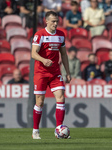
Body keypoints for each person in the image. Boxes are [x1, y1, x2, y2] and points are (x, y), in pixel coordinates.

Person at [31, 11, 71, 139]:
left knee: (61, 98)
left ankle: (59, 129)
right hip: (41, 73)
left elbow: (64, 54)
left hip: (55, 72)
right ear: (46, 21)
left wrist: (68, 72)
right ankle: (35, 131)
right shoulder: (39, 35)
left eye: (57, 21)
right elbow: (33, 53)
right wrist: (43, 60)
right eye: (53, 21)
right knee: (40, 102)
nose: (55, 23)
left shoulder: (61, 35)